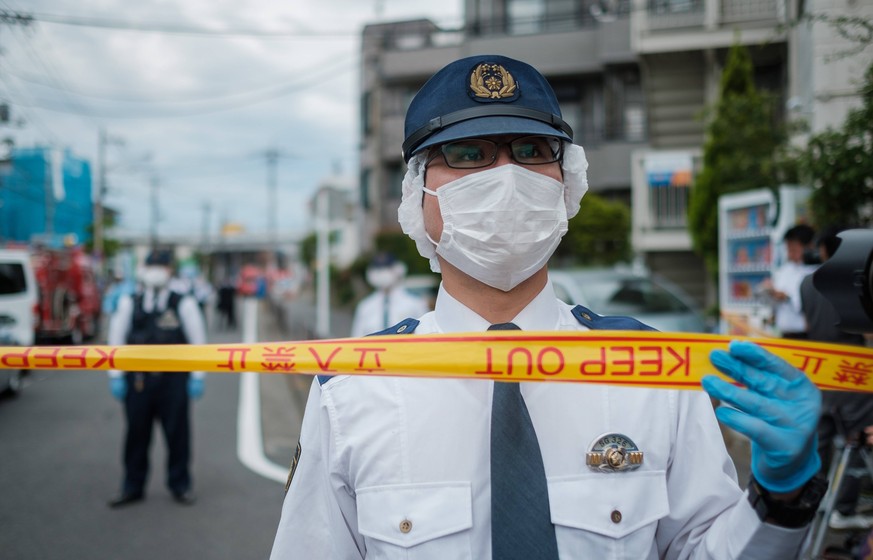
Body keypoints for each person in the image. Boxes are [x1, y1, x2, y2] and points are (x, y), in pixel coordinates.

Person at [270, 55, 825, 559]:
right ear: (418, 195)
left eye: (534, 151)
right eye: (468, 154)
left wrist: (783, 499)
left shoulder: (651, 369)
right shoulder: (354, 389)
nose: (507, 175)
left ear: (568, 185)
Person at [106, 249, 207, 508]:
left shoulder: (182, 302)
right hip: (138, 381)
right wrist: (116, 375)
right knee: (136, 435)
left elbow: (198, 342)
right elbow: (116, 339)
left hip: (173, 382)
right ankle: (132, 486)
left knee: (178, 435)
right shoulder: (131, 300)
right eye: (152, 265)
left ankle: (180, 485)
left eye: (161, 266)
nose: (156, 270)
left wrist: (197, 376)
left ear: (169, 269)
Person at [802, 226, 873, 531]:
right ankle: (843, 509)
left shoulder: (806, 282)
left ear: (823, 250)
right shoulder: (855, 280)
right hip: (852, 374)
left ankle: (813, 502)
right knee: (856, 441)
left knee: (820, 442)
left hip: (819, 372)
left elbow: (807, 322)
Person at [349, 251, 430, 337]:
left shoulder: (416, 303)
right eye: (379, 269)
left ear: (399, 269)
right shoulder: (365, 307)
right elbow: (356, 339)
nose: (383, 273)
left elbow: (425, 335)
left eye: (387, 268)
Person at [760, 224, 818, 339]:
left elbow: (813, 305)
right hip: (785, 333)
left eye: (794, 248)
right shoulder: (784, 270)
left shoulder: (815, 271)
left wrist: (786, 297)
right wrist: (769, 293)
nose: (790, 252)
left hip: (807, 335)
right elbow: (774, 305)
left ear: (808, 246)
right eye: (788, 248)